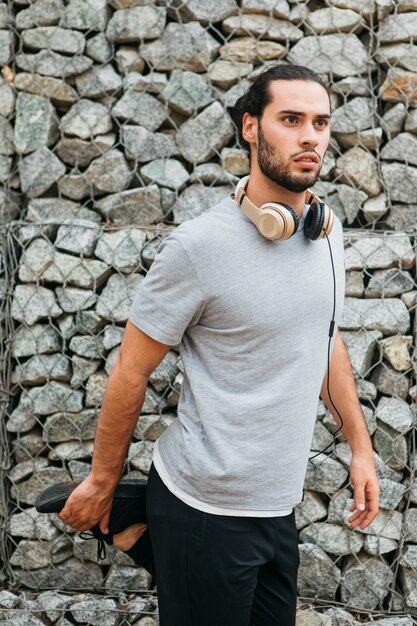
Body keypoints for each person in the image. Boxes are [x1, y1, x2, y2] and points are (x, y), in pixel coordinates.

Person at [57, 64, 380, 626]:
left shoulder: (326, 236)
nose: (311, 136)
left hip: (277, 507)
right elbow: (131, 371)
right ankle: (141, 519)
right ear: (250, 127)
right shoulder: (198, 249)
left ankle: (141, 531)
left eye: (321, 122)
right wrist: (102, 480)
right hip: (205, 508)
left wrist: (360, 445)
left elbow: (324, 339)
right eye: (291, 119)